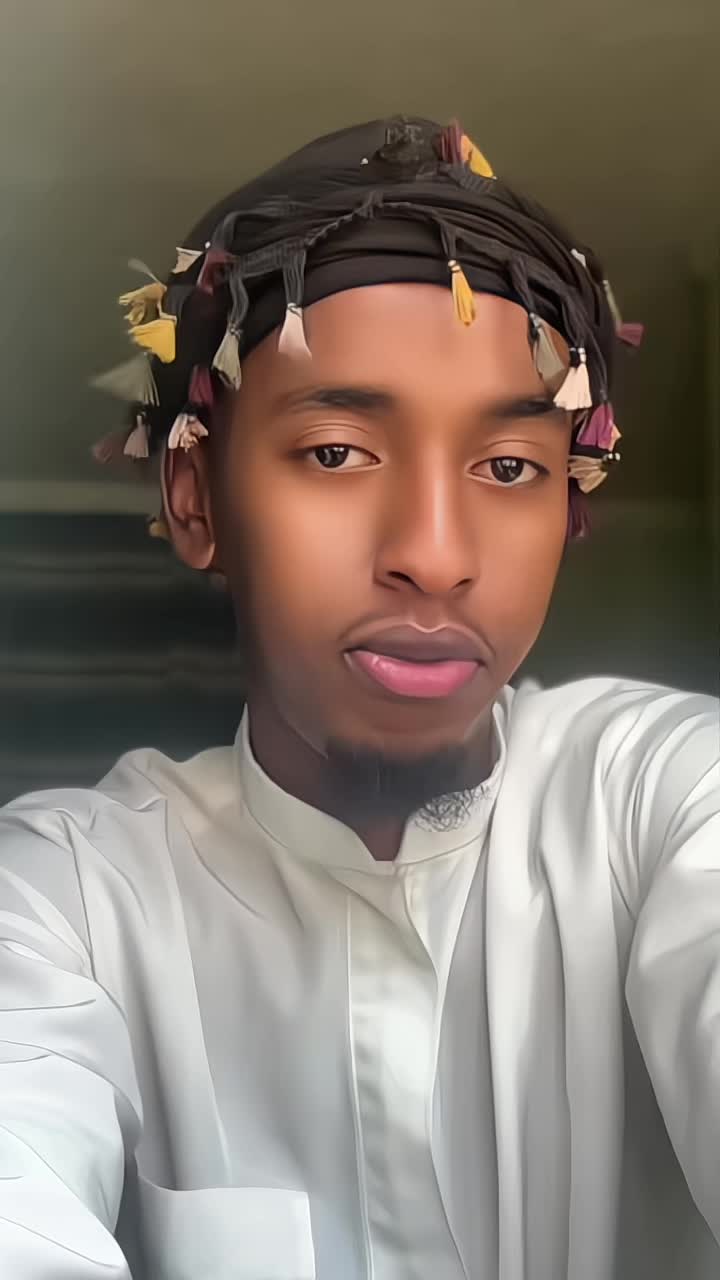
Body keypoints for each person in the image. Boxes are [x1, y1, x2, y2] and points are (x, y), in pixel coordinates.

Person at [0, 115, 717, 1280]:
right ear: (196, 499)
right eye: (336, 452)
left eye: (510, 467)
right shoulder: (65, 903)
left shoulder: (666, 796)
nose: (434, 555)